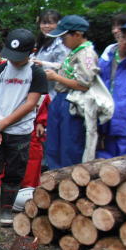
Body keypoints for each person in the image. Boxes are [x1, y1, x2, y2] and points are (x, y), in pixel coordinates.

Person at [0, 29, 48, 226]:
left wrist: (4, 124)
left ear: (32, 51)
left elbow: (30, 103)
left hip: (20, 132)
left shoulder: (35, 73)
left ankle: (6, 210)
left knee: (14, 172)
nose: (14, 60)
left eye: (19, 57)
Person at [44, 15, 100, 169]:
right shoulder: (74, 51)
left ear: (77, 34)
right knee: (53, 145)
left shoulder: (87, 54)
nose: (62, 41)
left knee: (69, 147)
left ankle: (68, 184)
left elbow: (84, 84)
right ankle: (54, 183)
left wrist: (56, 77)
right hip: (60, 100)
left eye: (64, 36)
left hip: (72, 103)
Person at [97, 21, 126, 158]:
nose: (125, 42)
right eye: (123, 37)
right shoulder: (108, 56)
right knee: (103, 166)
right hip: (104, 120)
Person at [31, 10, 70, 100]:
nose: (46, 26)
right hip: (40, 89)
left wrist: (43, 64)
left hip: (55, 91)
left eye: (51, 23)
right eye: (44, 23)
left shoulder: (61, 43)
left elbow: (64, 65)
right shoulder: (41, 41)